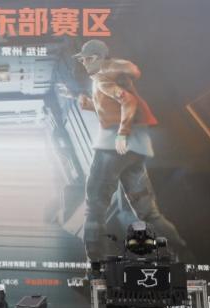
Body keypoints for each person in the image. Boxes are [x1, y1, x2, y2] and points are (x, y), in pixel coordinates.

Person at [74, 39, 188, 267]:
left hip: (112, 149)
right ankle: (183, 254)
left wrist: (121, 134)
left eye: (85, 59)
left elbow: (128, 101)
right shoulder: (112, 76)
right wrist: (88, 105)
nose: (83, 63)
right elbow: (113, 108)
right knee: (148, 212)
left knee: (95, 206)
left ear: (95, 58)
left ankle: (96, 265)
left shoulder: (102, 78)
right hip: (135, 150)